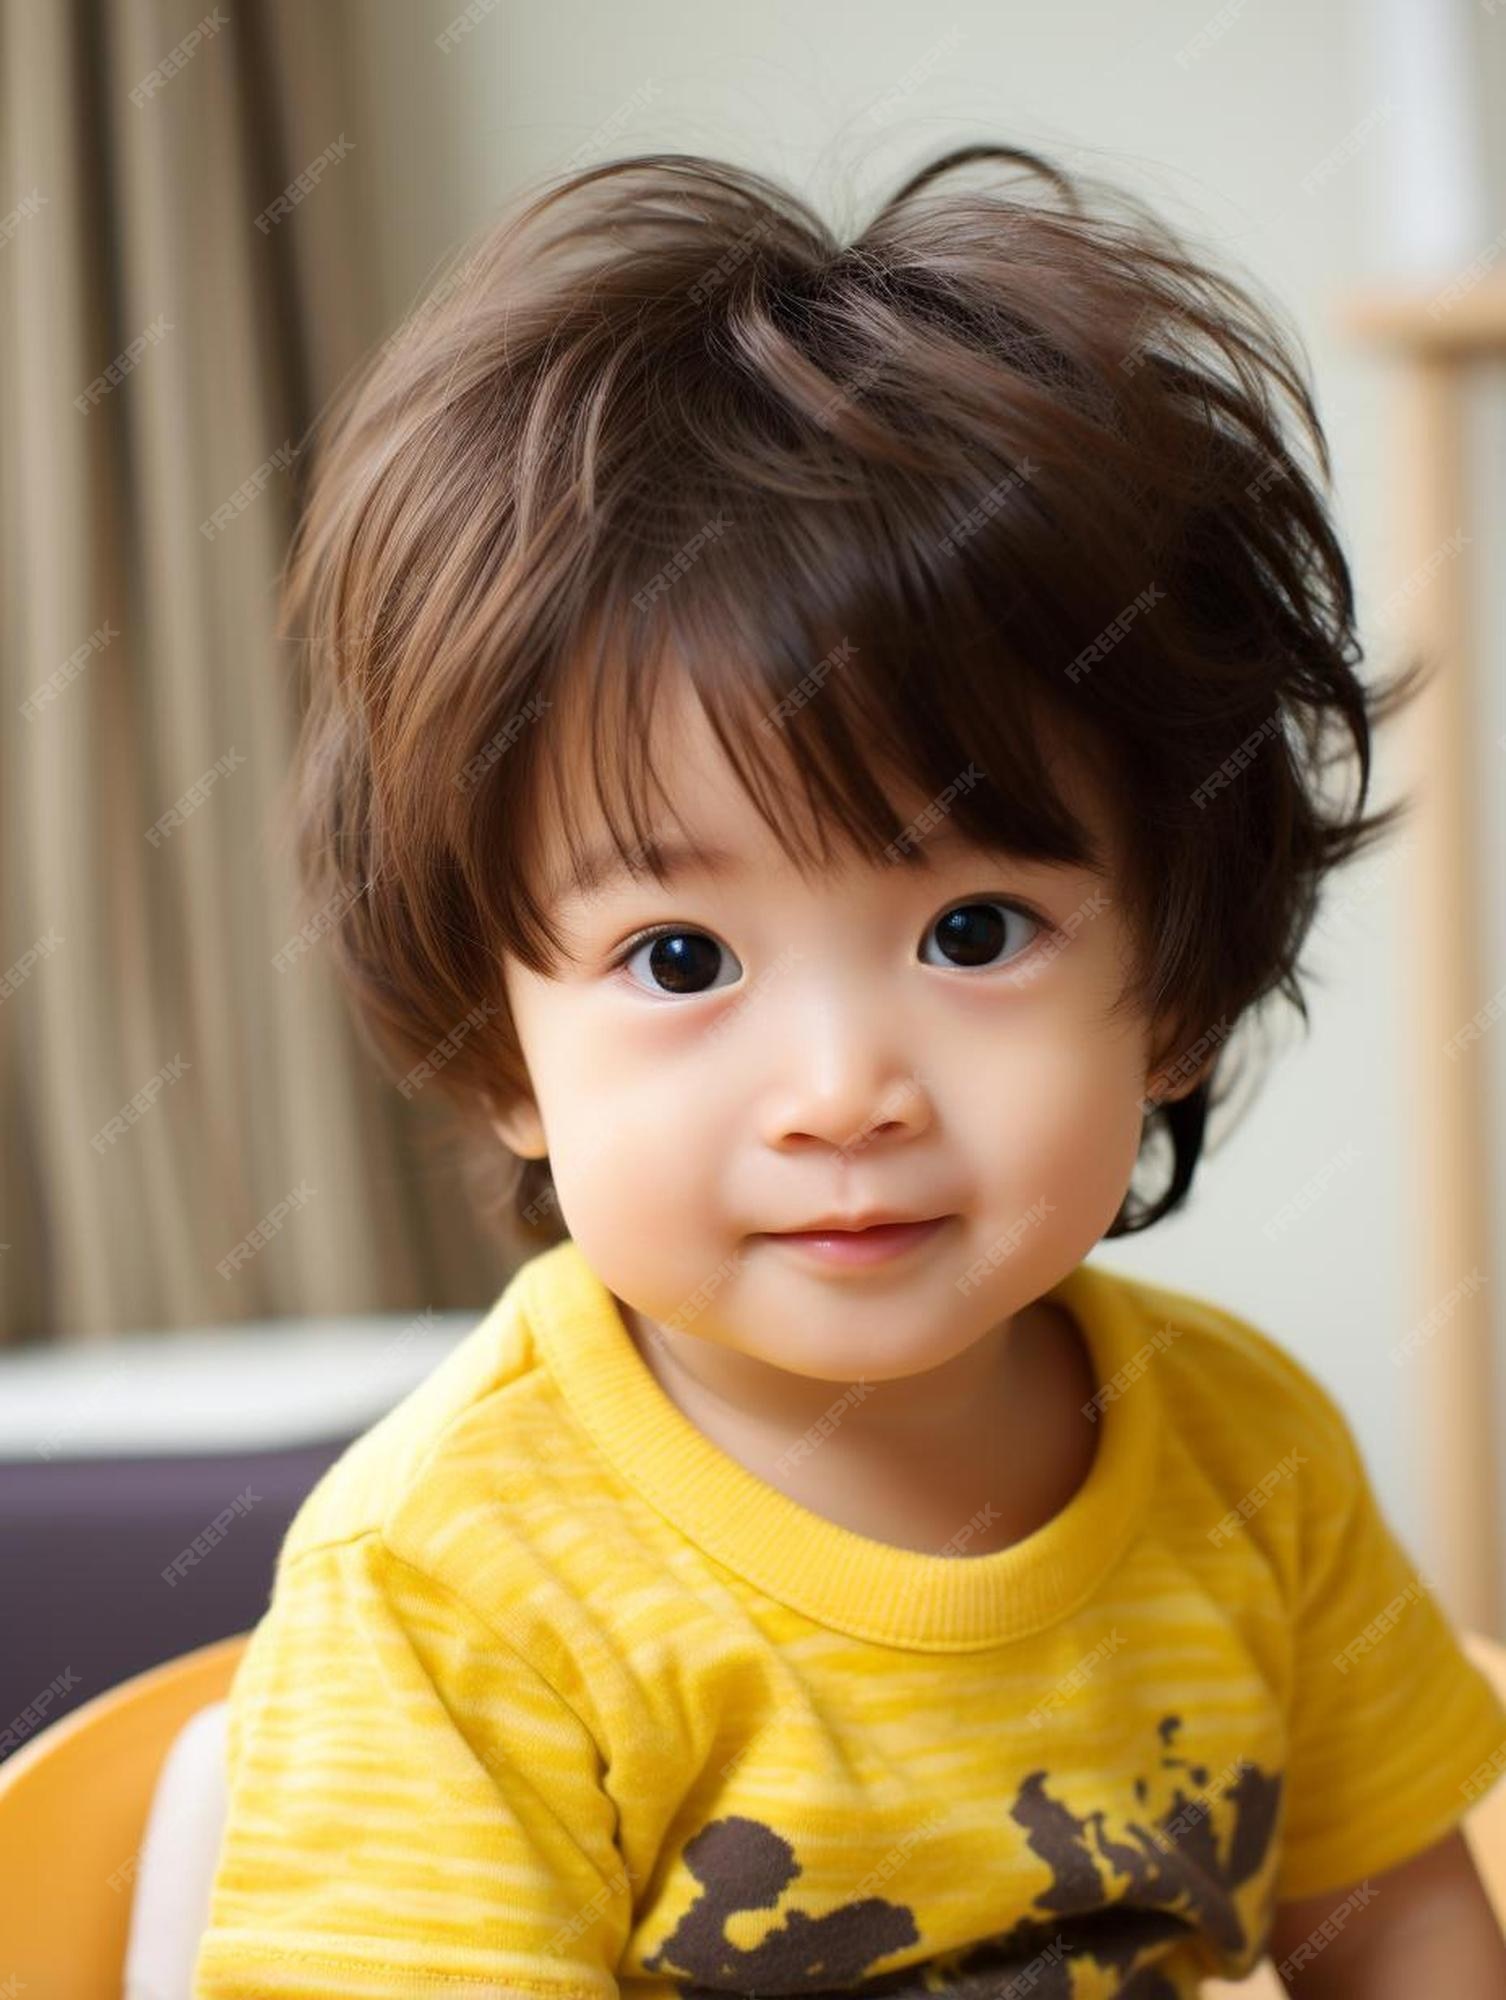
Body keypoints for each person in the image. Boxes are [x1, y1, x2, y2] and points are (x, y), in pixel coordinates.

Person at [193, 144, 1506, 1998]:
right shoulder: (450, 1583)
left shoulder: (1249, 1461)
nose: (840, 1091)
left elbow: (1403, 1926)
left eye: (972, 932)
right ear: (503, 1050)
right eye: (678, 959)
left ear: (1177, 991)